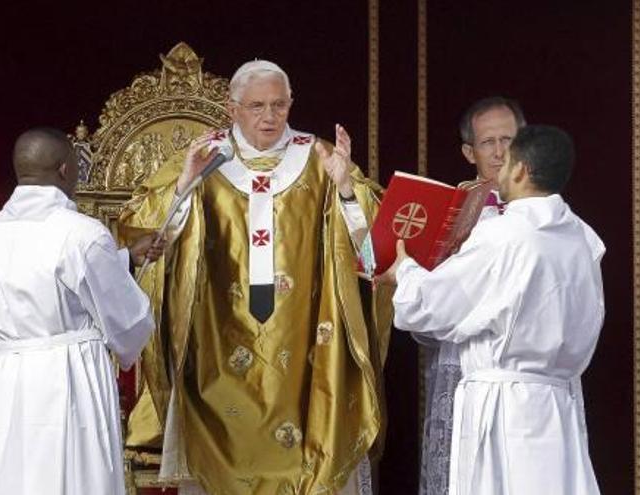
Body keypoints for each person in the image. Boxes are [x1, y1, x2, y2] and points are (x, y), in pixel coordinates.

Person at [118, 60, 392, 494]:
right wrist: (183, 187)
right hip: (217, 337)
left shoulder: (319, 157)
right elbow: (142, 238)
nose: (269, 117)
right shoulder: (202, 158)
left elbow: (377, 246)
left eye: (279, 105)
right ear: (232, 109)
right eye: (257, 106)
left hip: (305, 340)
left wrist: (344, 189)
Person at [380, 125, 603, 494]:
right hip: (558, 404)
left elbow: (437, 303)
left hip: (505, 408)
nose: (500, 168)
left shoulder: (506, 234)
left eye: (508, 160)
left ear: (521, 170)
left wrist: (403, 269)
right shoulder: (582, 236)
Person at [0, 127, 158, 495]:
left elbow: (43, 278)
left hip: (9, 374)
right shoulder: (83, 232)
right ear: (64, 170)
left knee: (15, 474)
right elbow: (124, 318)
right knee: (73, 473)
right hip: (68, 373)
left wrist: (124, 259)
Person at [417, 97, 526, 495]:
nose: (499, 152)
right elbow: (428, 301)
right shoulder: (453, 213)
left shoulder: (545, 209)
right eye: (487, 142)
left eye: (508, 140)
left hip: (524, 369)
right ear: (469, 151)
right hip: (465, 361)